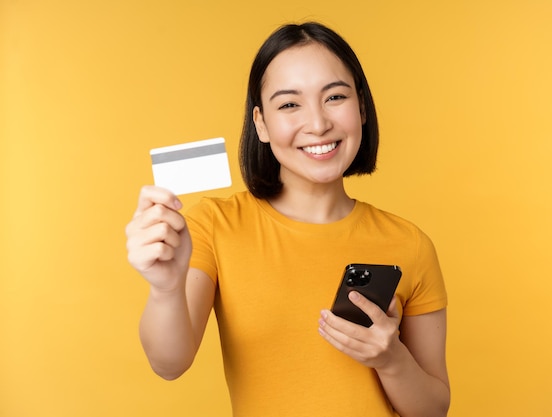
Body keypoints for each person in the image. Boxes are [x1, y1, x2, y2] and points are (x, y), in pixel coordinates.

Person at [126, 22, 450, 417]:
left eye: (335, 97)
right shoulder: (213, 226)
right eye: (289, 104)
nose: (317, 124)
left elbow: (433, 410)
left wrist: (391, 359)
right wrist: (164, 288)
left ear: (361, 108)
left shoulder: (410, 243)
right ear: (261, 123)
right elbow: (168, 364)